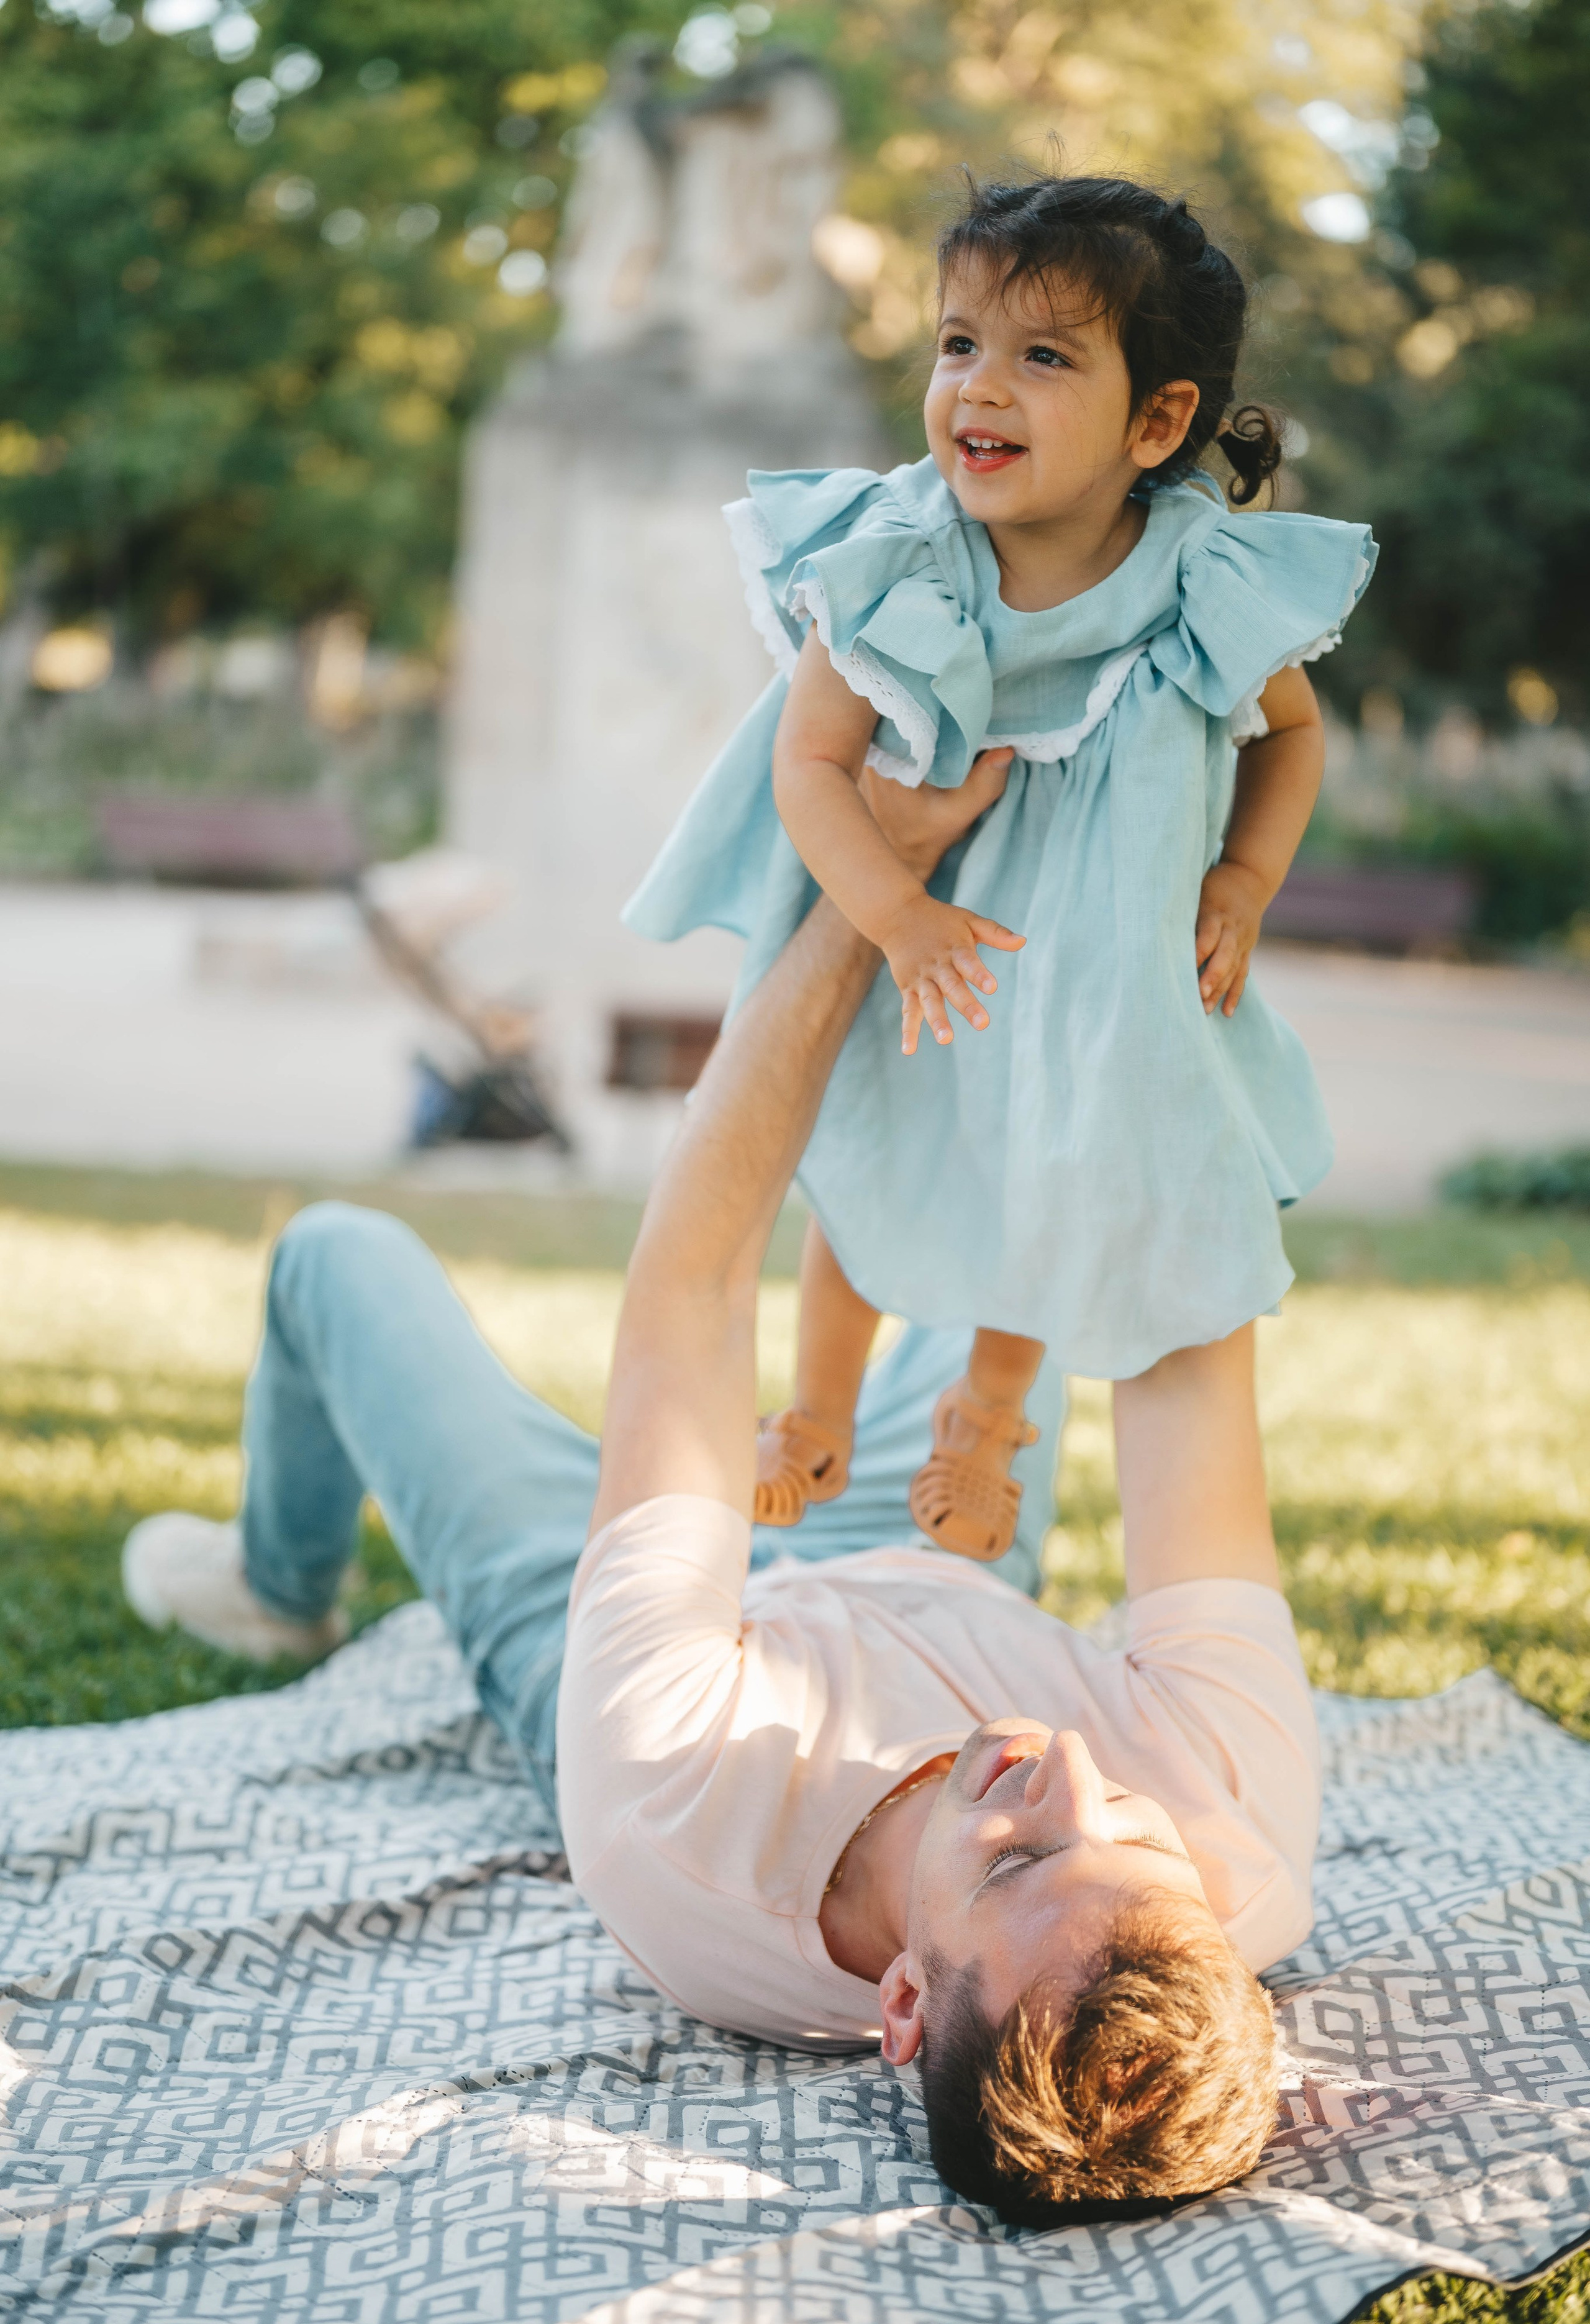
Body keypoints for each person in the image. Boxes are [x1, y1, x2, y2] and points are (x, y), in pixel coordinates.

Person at [124, 757, 1320, 2226]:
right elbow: (1183, 1329)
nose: (1064, 1771)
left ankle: (275, 1583)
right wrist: (1134, 925)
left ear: (897, 2006)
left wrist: (860, 885)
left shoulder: (670, 1804)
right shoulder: (1238, 1824)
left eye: (1015, 1863)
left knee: (334, 1257)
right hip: (912, 1557)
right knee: (1012, 1254)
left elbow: (694, 1275)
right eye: (1135, 1835)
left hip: (630, 1635)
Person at [625, 173, 1376, 1567]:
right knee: (870, 1144)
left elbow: (1289, 737)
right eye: (958, 342)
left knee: (1053, 1163)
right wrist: (898, 915)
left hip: (1079, 951)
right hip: (902, 914)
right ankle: (815, 1413)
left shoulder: (1193, 576)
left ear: (1157, 422)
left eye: (1042, 356)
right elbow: (809, 765)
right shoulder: (899, 556)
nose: (979, 386)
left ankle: (986, 1418)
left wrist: (1243, 881)